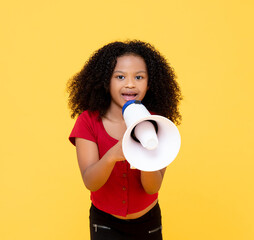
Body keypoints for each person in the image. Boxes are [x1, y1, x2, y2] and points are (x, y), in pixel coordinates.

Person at [66, 40, 182, 240]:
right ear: (106, 81)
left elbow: (152, 188)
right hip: (105, 223)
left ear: (149, 82)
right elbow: (90, 182)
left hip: (148, 222)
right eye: (120, 77)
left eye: (139, 77)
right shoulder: (88, 121)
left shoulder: (159, 124)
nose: (130, 83)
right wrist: (112, 155)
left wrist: (146, 154)